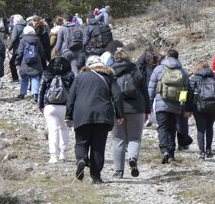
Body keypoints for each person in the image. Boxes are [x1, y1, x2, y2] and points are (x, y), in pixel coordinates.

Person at [65, 55, 124, 184]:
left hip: (82, 115)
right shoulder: (108, 77)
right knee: (98, 146)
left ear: (88, 65)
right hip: (102, 116)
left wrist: (68, 115)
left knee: (81, 142)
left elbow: (71, 97)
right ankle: (96, 177)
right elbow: (117, 95)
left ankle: (81, 159)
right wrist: (119, 115)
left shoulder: (80, 77)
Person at [110, 48, 150, 178]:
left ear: (115, 58)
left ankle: (118, 171)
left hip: (117, 109)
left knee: (118, 140)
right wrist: (147, 110)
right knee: (134, 138)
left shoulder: (110, 71)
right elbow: (145, 91)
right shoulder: (136, 70)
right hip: (136, 108)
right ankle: (132, 158)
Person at [148, 49, 191, 164]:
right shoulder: (182, 71)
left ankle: (164, 150)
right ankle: (171, 154)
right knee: (172, 128)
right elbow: (186, 89)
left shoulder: (159, 69)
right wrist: (182, 104)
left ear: (167, 56)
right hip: (176, 104)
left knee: (162, 127)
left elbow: (151, 88)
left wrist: (149, 104)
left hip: (161, 103)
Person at [38, 56, 75, 163]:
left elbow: (41, 90)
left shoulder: (46, 73)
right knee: (64, 129)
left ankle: (53, 156)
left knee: (53, 130)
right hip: (65, 106)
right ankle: (63, 153)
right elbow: (73, 91)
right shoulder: (70, 74)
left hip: (50, 106)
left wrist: (40, 105)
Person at [189, 62, 215, 159]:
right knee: (209, 127)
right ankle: (209, 150)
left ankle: (201, 152)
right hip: (213, 106)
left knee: (200, 129)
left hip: (198, 107)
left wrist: (188, 108)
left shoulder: (194, 78)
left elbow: (189, 94)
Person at [16, 25, 44, 100]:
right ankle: (35, 94)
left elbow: (20, 52)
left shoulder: (23, 40)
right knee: (35, 78)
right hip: (36, 62)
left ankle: (22, 94)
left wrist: (17, 61)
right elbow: (41, 51)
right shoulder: (37, 40)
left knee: (24, 78)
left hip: (25, 62)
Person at [8, 14, 27, 83]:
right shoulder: (27, 25)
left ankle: (15, 78)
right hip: (26, 47)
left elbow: (13, 38)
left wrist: (9, 48)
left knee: (12, 63)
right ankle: (26, 78)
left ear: (16, 21)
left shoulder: (16, 27)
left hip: (18, 48)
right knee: (23, 63)